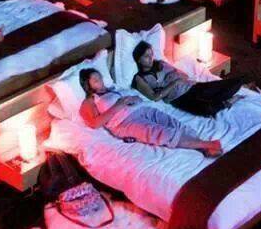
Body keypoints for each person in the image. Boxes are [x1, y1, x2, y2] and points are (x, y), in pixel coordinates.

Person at [78, 68, 222, 155]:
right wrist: (118, 105)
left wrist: (134, 99)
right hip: (125, 122)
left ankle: (200, 146)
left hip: (141, 109)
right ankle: (208, 145)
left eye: (99, 77)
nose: (100, 80)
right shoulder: (90, 101)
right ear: (88, 85)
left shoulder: (113, 89)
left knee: (175, 124)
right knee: (161, 133)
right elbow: (95, 123)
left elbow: (132, 99)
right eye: (95, 80)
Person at [130, 41, 245, 116]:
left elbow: (182, 74)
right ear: (138, 59)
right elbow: (154, 97)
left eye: (151, 54)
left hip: (190, 87)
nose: (151, 58)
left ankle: (223, 96)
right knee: (207, 110)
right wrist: (174, 83)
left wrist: (182, 79)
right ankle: (228, 102)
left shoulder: (160, 63)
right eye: (146, 56)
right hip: (179, 98)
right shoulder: (139, 78)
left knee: (235, 82)